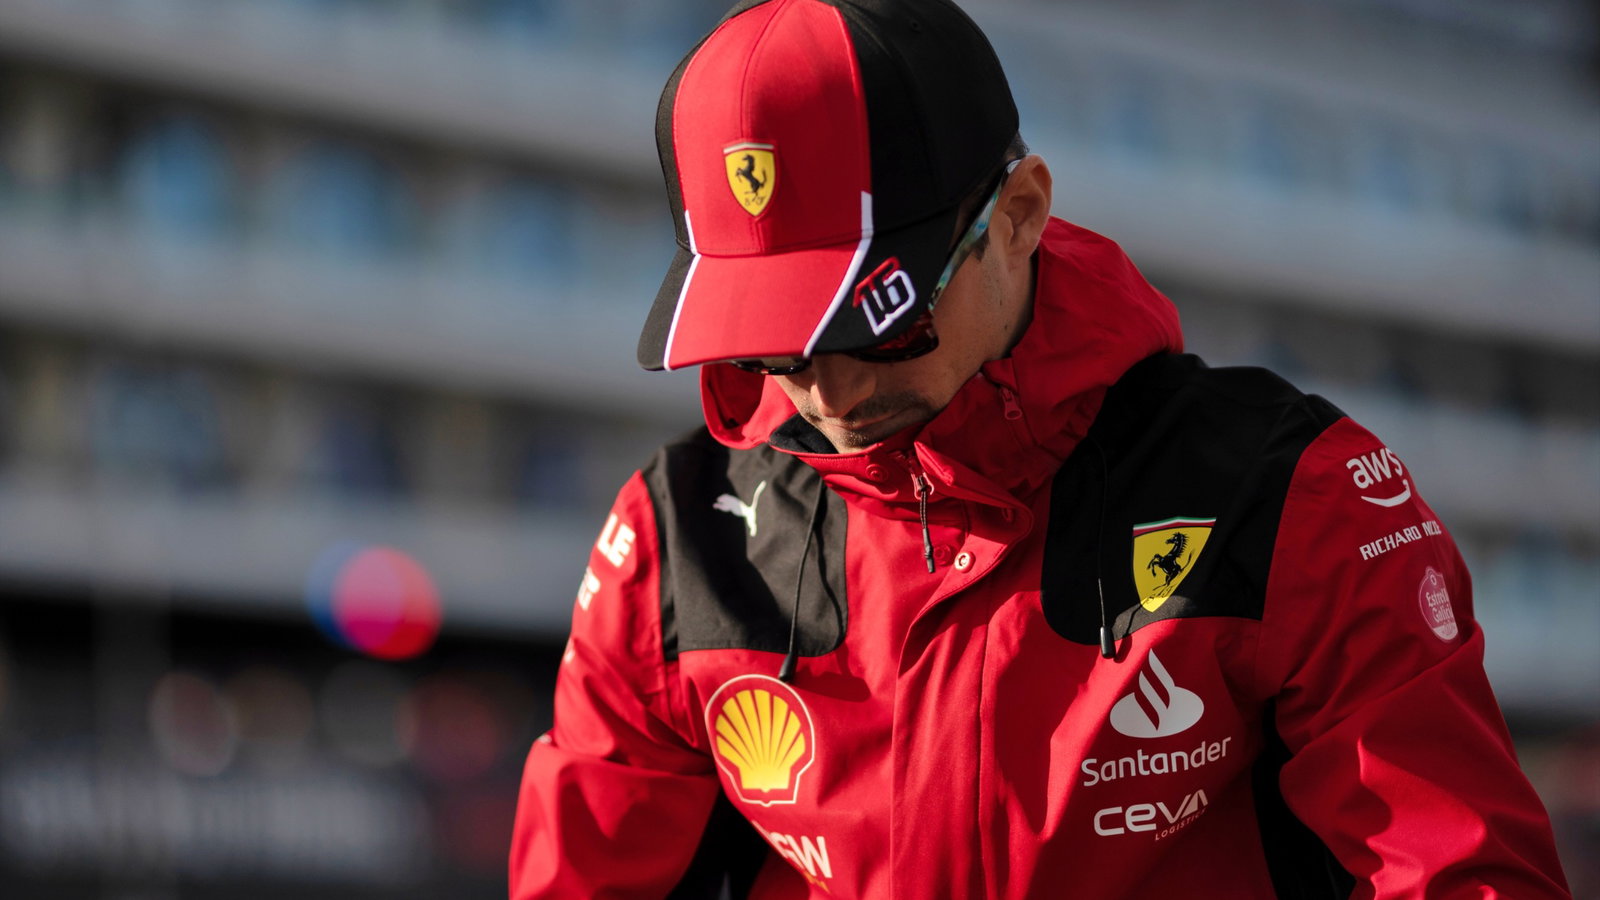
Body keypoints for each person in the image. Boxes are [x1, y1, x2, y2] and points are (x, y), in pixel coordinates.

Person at [509, 1, 1572, 896]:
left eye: (875, 321)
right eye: (772, 341)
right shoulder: (676, 538)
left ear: (1016, 215)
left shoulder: (1289, 496)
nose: (826, 389)